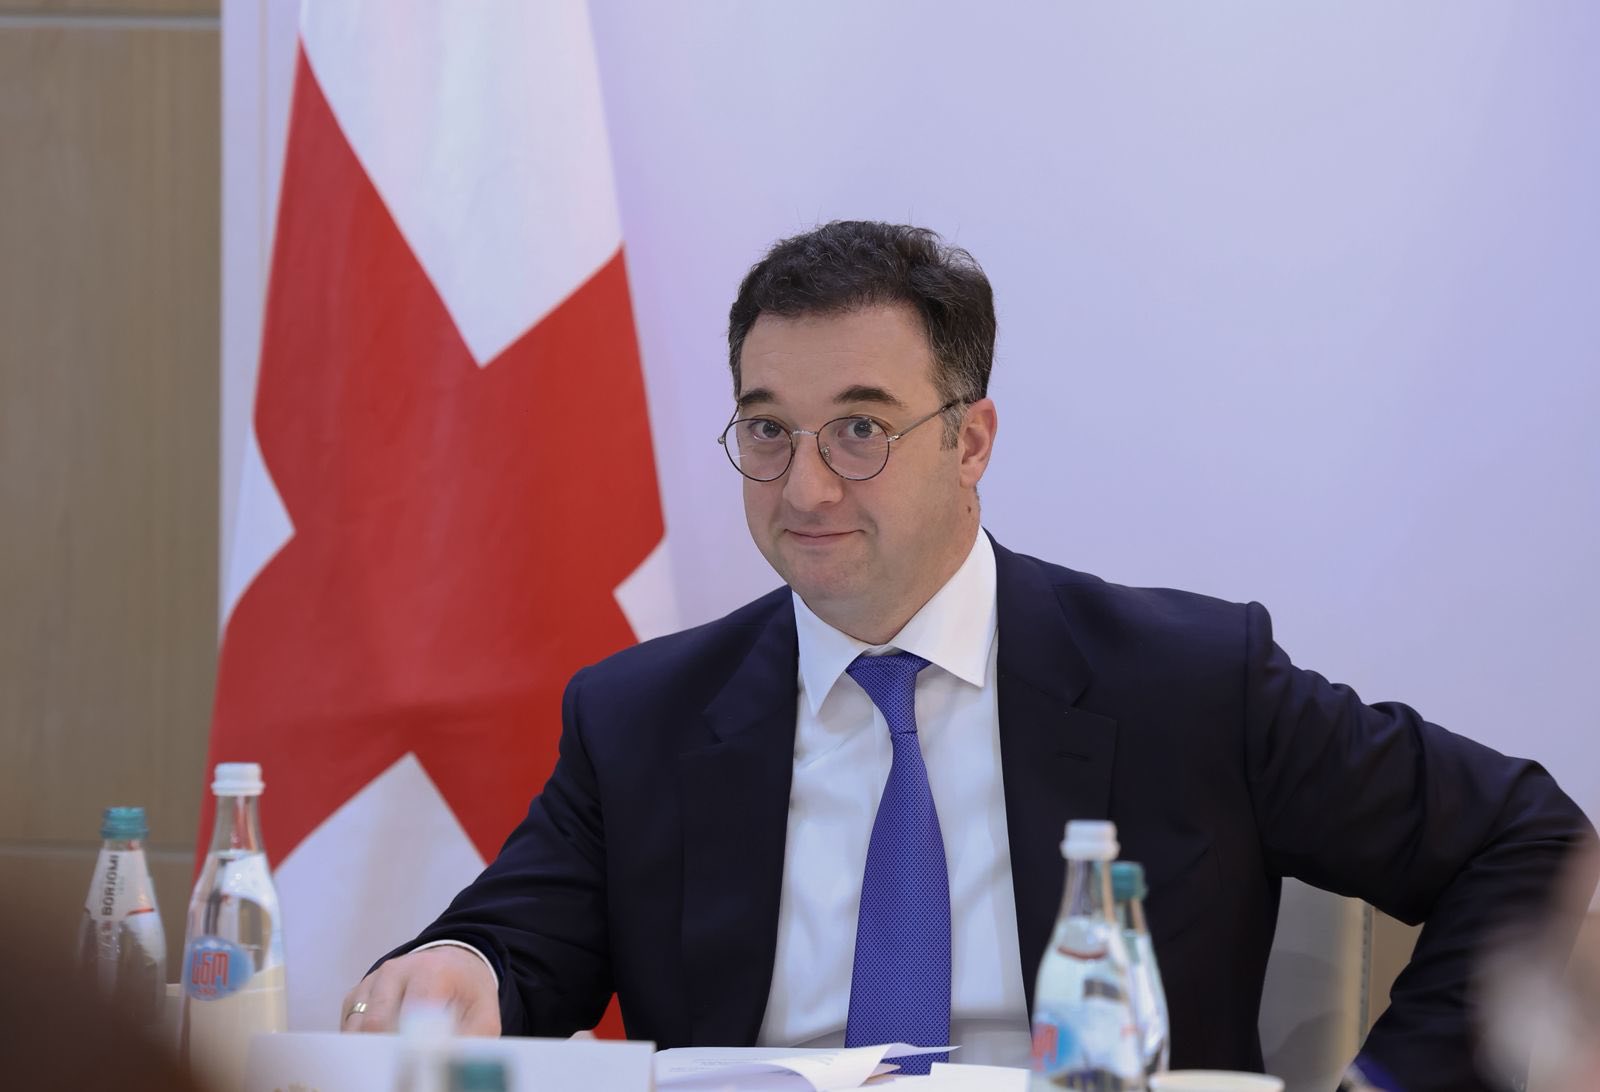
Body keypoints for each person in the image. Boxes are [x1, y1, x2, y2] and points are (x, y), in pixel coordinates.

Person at [341, 221, 1594, 1089]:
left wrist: (1392, 1085)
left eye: (861, 429)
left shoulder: (1189, 683)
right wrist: (457, 966)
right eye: (768, 431)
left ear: (971, 441)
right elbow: (515, 947)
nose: (806, 486)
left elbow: (1527, 841)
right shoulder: (642, 717)